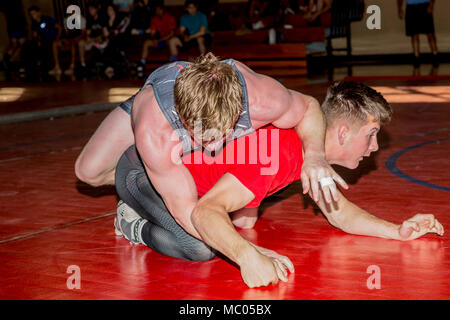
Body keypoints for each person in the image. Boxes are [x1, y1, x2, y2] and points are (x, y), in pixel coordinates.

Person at [114, 81, 444, 288]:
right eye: (371, 136)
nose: (374, 148)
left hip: (185, 177)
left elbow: (339, 213)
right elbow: (205, 211)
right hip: (142, 172)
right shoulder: (281, 153)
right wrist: (248, 257)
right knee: (200, 248)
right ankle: (132, 222)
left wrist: (398, 231)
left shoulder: (308, 154)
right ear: (342, 133)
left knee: (243, 221)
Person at [75, 53, 347, 246]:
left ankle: (174, 175)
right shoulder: (155, 127)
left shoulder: (264, 99)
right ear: (183, 120)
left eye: (222, 135)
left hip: (199, 112)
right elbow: (186, 211)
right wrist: (243, 251)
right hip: (158, 105)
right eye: (204, 138)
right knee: (88, 172)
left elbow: (309, 106)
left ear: (239, 111)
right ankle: (146, 176)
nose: (214, 147)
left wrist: (315, 157)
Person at [397, 0, 438, 66]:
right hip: (411, 7)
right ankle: (416, 57)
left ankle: (435, 55)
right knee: (414, 34)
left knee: (430, 33)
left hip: (425, 5)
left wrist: (431, 5)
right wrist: (399, 8)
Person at [28, 6, 62, 75]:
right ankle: (38, 67)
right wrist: (38, 41)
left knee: (52, 44)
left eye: (34, 13)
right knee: (32, 46)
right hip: (45, 41)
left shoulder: (47, 19)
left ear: (38, 13)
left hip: (54, 39)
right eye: (31, 14)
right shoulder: (34, 24)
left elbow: (59, 28)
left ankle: (57, 66)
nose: (33, 15)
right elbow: (35, 35)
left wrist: (58, 38)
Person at [78, 2, 108, 69]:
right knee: (81, 43)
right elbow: (88, 34)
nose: (90, 11)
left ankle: (100, 64)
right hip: (93, 40)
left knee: (100, 41)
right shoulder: (89, 20)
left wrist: (98, 37)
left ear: (96, 9)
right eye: (89, 10)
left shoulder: (102, 18)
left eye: (92, 9)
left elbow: (105, 33)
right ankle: (83, 64)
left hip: (101, 40)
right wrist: (89, 38)